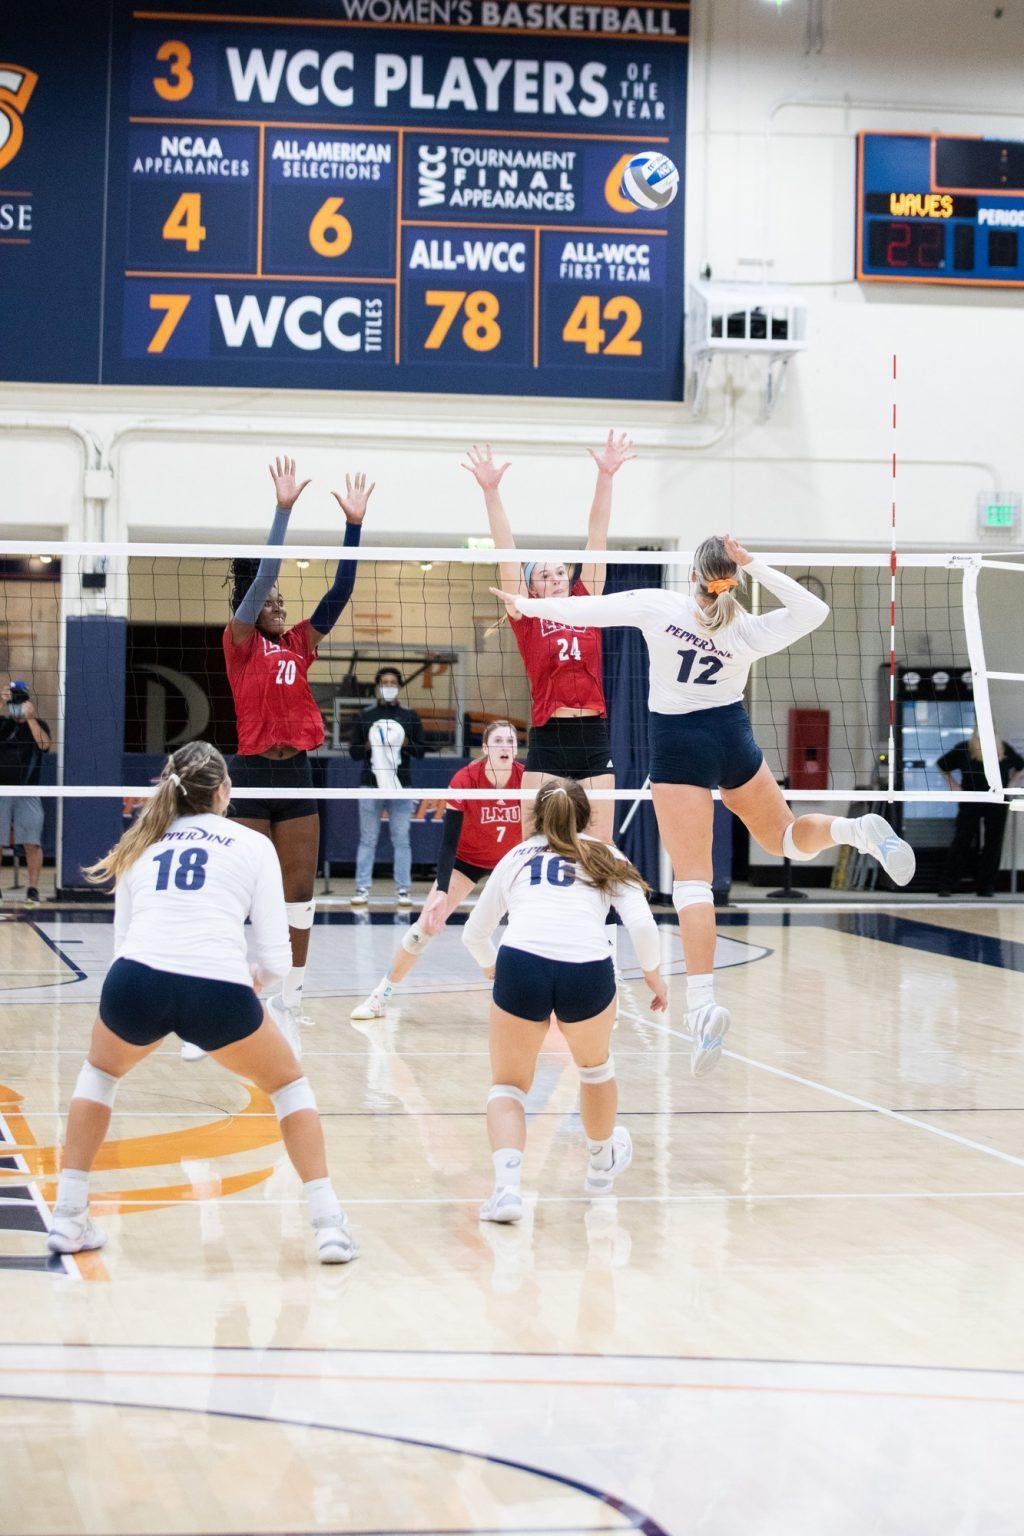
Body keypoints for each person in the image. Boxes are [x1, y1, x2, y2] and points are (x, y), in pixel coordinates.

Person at [492, 533, 917, 1076]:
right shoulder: (746, 628)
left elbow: (585, 608)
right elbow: (815, 609)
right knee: (785, 838)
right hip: (732, 737)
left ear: (691, 573)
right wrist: (754, 564)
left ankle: (702, 1007)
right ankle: (856, 832)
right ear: (730, 579)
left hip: (678, 749)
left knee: (693, 883)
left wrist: (526, 605)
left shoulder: (659, 605)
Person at [45, 742, 357, 1265]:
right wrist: (253, 981)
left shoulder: (139, 839)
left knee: (98, 1077)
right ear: (222, 792)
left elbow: (124, 944)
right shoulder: (250, 843)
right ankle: (329, 1227)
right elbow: (277, 954)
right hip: (217, 988)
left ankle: (68, 1217)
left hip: (135, 980)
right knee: (289, 1085)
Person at [462, 777, 668, 1224]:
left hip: (522, 963)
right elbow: (644, 926)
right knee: (595, 1071)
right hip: (587, 969)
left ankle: (508, 1192)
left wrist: (493, 966)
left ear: (536, 816)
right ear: (585, 816)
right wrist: (655, 978)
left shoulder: (516, 856)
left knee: (508, 1087)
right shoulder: (605, 854)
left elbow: (473, 933)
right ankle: (599, 1170)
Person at [223, 456, 373, 1055]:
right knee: (243, 892)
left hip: (297, 772)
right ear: (253, 607)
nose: (279, 603)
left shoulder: (299, 644)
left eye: (284, 599)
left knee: (298, 888)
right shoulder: (238, 643)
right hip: (253, 772)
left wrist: (354, 527)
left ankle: (294, 996)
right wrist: (283, 511)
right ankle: (236, 992)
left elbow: (341, 592)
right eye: (273, 599)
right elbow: (260, 580)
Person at [461, 433, 635, 844]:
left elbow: (597, 535)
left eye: (561, 573)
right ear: (532, 587)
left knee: (600, 846)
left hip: (593, 735)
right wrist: (491, 491)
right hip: (548, 735)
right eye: (545, 575)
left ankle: (600, 910)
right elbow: (507, 551)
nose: (556, 579)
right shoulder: (526, 615)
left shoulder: (587, 602)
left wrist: (606, 476)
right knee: (533, 842)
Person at [351, 720, 523, 1019]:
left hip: (512, 862)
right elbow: (448, 843)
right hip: (468, 860)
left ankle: (514, 996)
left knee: (505, 932)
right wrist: (441, 891)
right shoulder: (465, 779)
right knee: (426, 926)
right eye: (498, 741)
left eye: (511, 741)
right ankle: (381, 995)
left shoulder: (527, 779)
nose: (506, 746)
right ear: (485, 748)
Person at [349, 666, 427, 907]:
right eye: (385, 682)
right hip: (370, 785)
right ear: (378, 687)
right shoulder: (366, 715)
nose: (389, 686)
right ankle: (362, 889)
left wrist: (404, 742)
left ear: (399, 687)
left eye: (394, 683)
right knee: (368, 839)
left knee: (401, 839)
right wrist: (369, 746)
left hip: (401, 786)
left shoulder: (409, 716)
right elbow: (352, 752)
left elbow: (421, 751)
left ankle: (403, 890)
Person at [937, 728, 1024, 897]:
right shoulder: (965, 749)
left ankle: (986, 886)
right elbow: (942, 765)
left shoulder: (1003, 748)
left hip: (997, 799)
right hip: (971, 799)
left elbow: (1021, 767)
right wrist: (954, 786)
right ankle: (947, 884)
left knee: (994, 842)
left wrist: (1011, 786)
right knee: (962, 839)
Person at [0, 680, 51, 904]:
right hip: (1, 791)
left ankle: (32, 889)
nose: (15, 706)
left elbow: (44, 745)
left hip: (28, 790)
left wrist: (29, 718)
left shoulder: (38, 724)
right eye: (12, 701)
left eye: (19, 700)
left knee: (32, 842)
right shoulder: (2, 723)